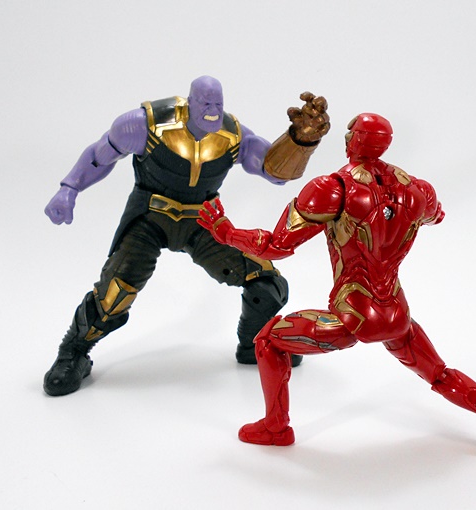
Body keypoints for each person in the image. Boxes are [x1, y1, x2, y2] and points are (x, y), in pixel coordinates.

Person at [197, 113, 476, 461]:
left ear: (352, 141)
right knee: (439, 374)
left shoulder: (333, 189)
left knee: (268, 341)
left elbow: (276, 246)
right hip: (396, 315)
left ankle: (275, 427)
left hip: (350, 317)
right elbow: (437, 215)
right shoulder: (418, 189)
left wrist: (226, 232)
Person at [43, 75, 330, 397]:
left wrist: (300, 141)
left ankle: (254, 344)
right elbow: (99, 156)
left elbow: (273, 172)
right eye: (205, 103)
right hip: (150, 217)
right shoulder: (145, 124)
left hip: (203, 221)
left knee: (265, 283)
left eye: (218, 104)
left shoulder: (233, 134)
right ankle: (73, 353)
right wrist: (69, 189)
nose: (212, 110)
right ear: (189, 102)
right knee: (114, 293)